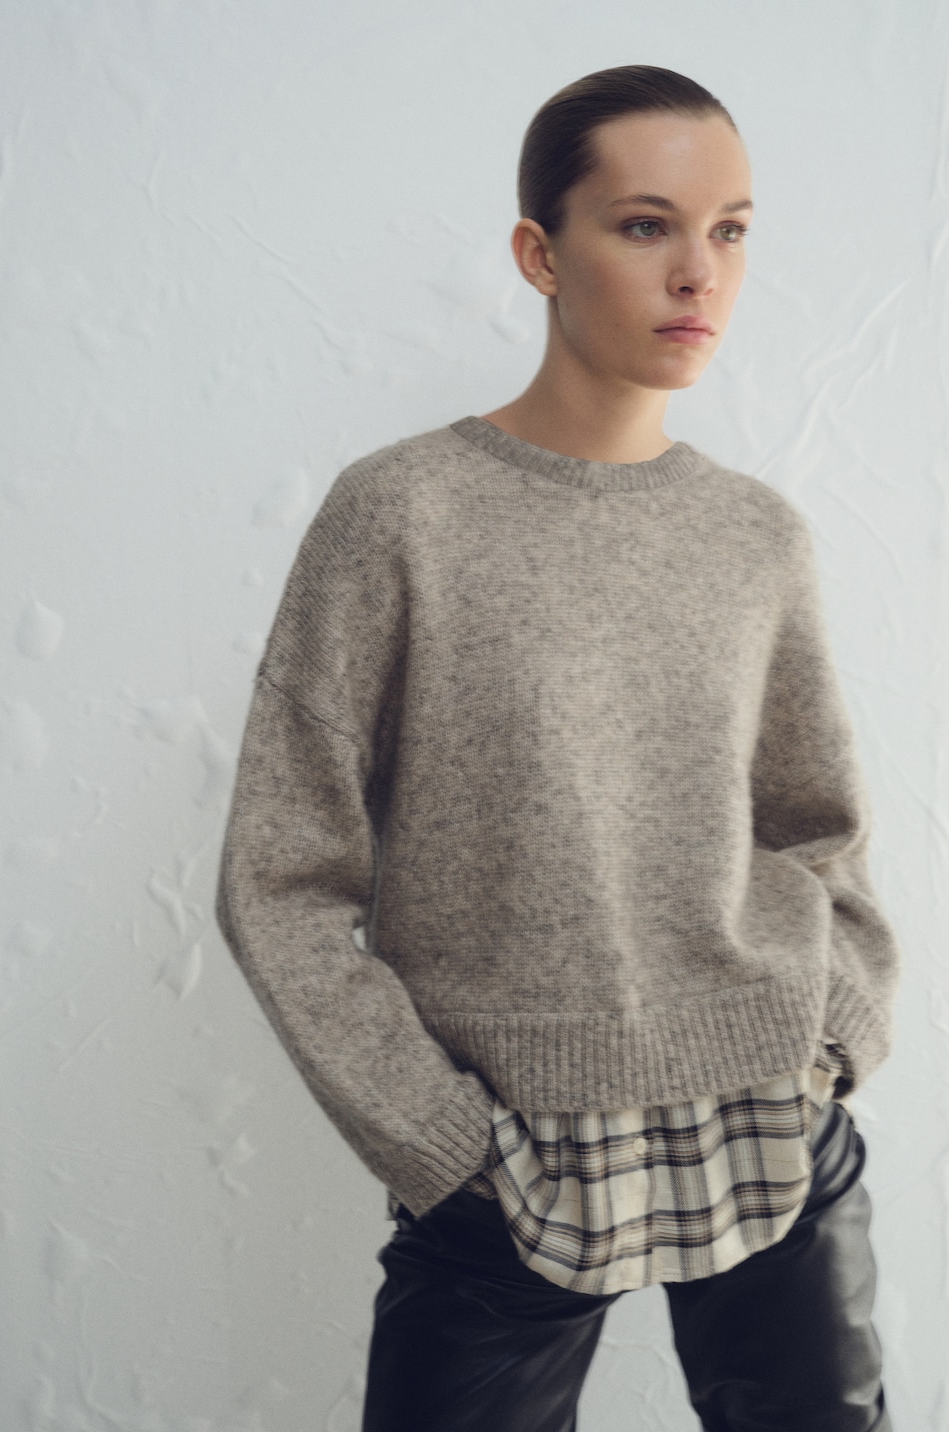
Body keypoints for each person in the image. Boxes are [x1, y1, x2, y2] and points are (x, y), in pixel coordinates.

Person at [215, 64, 901, 1432]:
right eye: (646, 226)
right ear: (540, 252)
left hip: (772, 1115)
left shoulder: (755, 536)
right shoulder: (401, 514)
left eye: (731, 230)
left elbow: (819, 825)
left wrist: (835, 1033)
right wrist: (440, 1144)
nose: (699, 274)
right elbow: (279, 874)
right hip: (505, 1162)